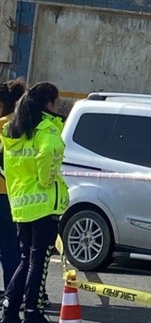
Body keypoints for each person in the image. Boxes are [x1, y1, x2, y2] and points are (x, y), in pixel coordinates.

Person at [1, 83, 68, 323]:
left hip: (21, 204)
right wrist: (47, 179)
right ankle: (32, 312)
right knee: (37, 263)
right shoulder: (45, 129)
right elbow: (50, 151)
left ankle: (10, 311)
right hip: (43, 205)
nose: (59, 106)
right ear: (49, 104)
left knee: (25, 261)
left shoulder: (13, 130)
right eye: (57, 102)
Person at [0, 79, 26, 297]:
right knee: (12, 246)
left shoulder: (2, 125)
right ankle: (13, 290)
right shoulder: (22, 125)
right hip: (15, 193)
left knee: (7, 246)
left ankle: (11, 291)